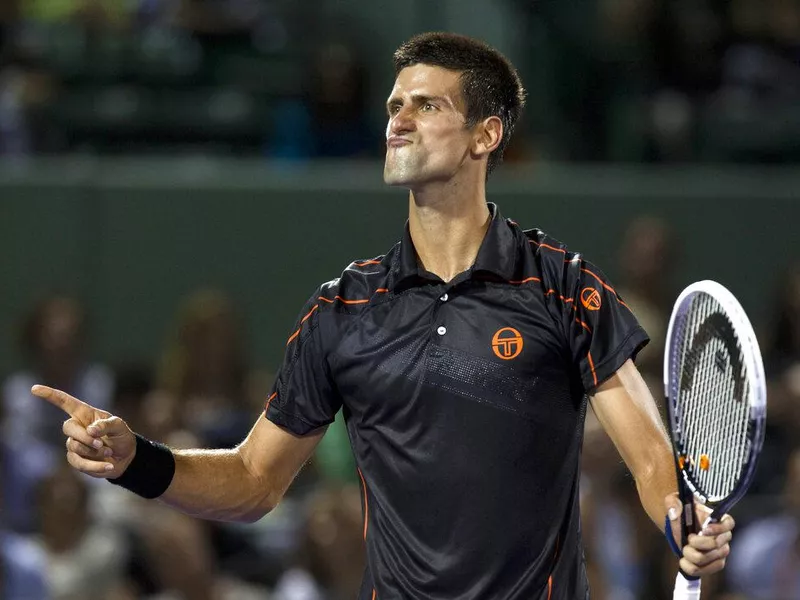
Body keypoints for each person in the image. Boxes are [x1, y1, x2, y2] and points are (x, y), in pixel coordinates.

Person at [32, 32, 735, 599]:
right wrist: (136, 462)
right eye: (396, 105)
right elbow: (252, 481)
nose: (397, 120)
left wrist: (684, 520)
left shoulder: (563, 287)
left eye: (426, 107)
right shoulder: (341, 310)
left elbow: (650, 461)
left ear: (485, 135)